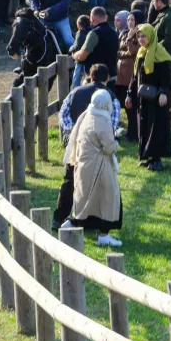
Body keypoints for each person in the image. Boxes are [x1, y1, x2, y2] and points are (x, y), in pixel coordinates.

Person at [54, 63, 119, 230]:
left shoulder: (75, 92)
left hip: (75, 146)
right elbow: (112, 123)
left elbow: (63, 113)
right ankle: (94, 223)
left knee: (70, 182)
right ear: (106, 78)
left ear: (91, 76)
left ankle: (60, 218)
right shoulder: (110, 97)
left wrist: (72, 131)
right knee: (101, 188)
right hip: (98, 150)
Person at [61, 89, 123, 247]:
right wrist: (117, 140)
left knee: (83, 196)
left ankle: (71, 223)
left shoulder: (87, 114)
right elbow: (108, 146)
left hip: (84, 163)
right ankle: (104, 234)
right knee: (108, 196)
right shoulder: (103, 119)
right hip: (99, 166)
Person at [126, 24, 171, 172]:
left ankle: (157, 159)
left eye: (144, 36)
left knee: (157, 128)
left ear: (151, 36)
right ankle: (147, 156)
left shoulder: (160, 54)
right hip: (144, 98)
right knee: (145, 126)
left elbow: (167, 77)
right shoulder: (141, 53)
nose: (141, 39)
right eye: (139, 36)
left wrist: (163, 93)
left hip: (157, 98)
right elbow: (135, 77)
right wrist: (129, 94)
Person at [72, 7, 119, 89]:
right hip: (112, 78)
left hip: (96, 80)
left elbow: (82, 56)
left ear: (92, 19)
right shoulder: (114, 33)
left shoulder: (94, 33)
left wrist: (74, 55)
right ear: (106, 17)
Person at [115, 10, 142, 141]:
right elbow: (118, 52)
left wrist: (131, 37)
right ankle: (130, 131)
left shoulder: (140, 35)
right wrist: (125, 53)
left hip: (131, 74)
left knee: (133, 105)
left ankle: (134, 133)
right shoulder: (123, 33)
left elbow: (134, 51)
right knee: (125, 105)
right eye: (129, 20)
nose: (130, 22)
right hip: (121, 75)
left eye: (133, 20)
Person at [69, 14, 91, 87]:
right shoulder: (92, 31)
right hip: (89, 59)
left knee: (76, 76)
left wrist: (71, 49)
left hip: (80, 59)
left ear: (80, 25)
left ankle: (75, 88)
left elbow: (77, 46)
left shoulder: (80, 34)